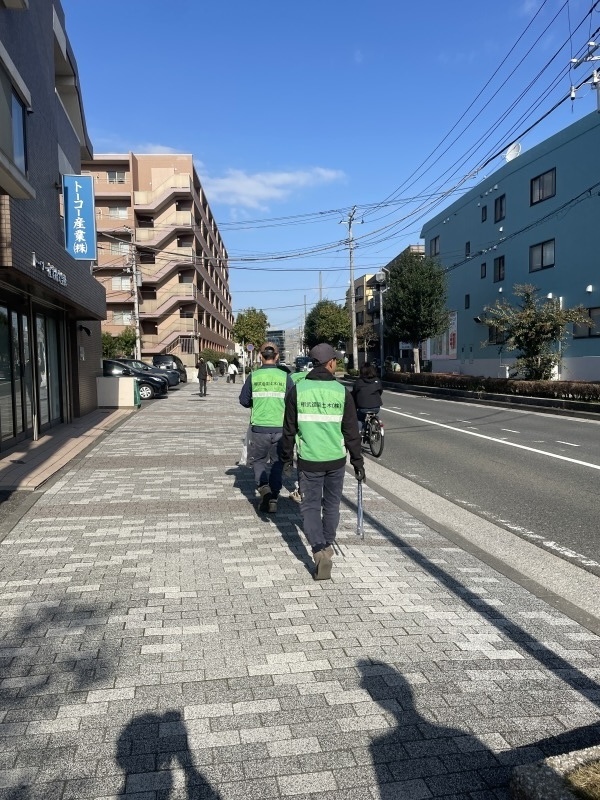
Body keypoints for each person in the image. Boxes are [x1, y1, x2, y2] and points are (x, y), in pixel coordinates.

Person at [280, 342, 365, 580]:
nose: (336, 363)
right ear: (329, 363)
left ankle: (318, 550)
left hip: (309, 460)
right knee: (331, 504)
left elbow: (289, 429)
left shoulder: (298, 390)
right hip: (336, 460)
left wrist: (286, 458)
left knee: (309, 506)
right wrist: (358, 462)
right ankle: (327, 544)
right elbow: (351, 432)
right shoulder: (341, 392)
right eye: (335, 360)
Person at [239, 342, 293, 513]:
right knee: (278, 463)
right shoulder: (285, 377)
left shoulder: (254, 376)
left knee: (259, 461)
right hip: (280, 428)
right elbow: (293, 402)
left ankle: (264, 488)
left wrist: (258, 403)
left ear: (260, 356)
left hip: (260, 427)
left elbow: (243, 400)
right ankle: (274, 498)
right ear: (277, 356)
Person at [352, 362, 383, 433]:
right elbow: (380, 391)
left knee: (360, 419)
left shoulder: (359, 382)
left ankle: (359, 433)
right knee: (372, 414)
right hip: (376, 407)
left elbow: (354, 393)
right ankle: (375, 424)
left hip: (362, 407)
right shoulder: (377, 380)